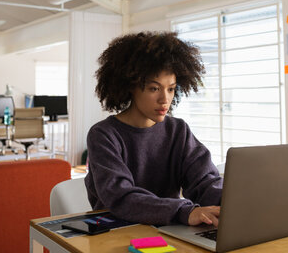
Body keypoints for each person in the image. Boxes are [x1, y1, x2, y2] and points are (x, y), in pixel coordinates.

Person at [85, 31, 223, 227]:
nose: (165, 99)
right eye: (154, 88)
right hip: (117, 231)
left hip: (168, 230)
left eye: (171, 89)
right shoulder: (103, 135)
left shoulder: (178, 131)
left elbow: (204, 182)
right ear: (131, 86)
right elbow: (121, 197)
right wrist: (186, 211)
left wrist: (232, 202)